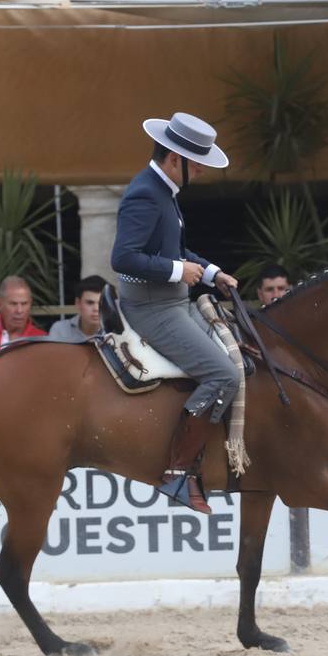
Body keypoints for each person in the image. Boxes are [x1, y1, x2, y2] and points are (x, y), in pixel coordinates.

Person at [111, 111, 238, 514]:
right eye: (196, 162)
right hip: (153, 307)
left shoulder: (162, 191)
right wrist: (178, 271)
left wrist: (211, 271)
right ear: (173, 159)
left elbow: (171, 251)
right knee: (223, 374)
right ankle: (178, 473)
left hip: (172, 298)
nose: (200, 170)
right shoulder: (145, 194)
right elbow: (123, 258)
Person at [49, 275, 110, 342]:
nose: (96, 308)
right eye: (90, 303)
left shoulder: (117, 332)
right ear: (78, 303)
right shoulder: (60, 330)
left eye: (101, 303)